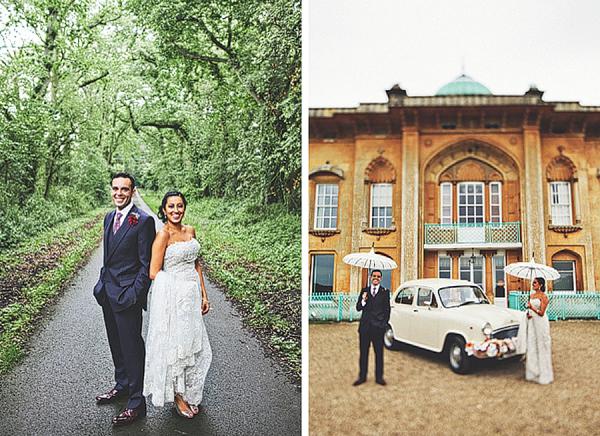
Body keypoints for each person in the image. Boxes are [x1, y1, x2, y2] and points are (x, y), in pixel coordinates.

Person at [93, 172, 156, 425]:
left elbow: (146, 265)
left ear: (133, 191)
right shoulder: (109, 217)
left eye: (124, 189)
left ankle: (136, 402)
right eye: (115, 188)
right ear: (111, 190)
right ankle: (122, 385)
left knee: (132, 348)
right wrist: (101, 284)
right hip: (108, 293)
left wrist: (134, 295)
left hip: (127, 296)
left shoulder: (142, 221)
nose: (119, 193)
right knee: (116, 345)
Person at [143, 190, 212, 419]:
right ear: (164, 210)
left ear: (184, 207)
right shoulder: (163, 235)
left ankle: (189, 391)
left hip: (191, 298)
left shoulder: (190, 231)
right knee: (175, 346)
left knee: (192, 344)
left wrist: (203, 294)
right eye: (171, 206)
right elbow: (154, 272)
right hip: (173, 297)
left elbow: (196, 265)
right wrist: (180, 286)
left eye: (180, 206)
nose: (176, 210)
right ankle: (177, 396)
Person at [353, 269, 390, 386]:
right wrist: (363, 300)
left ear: (380, 279)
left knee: (379, 353)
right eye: (374, 276)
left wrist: (383, 324)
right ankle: (362, 377)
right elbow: (358, 308)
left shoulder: (384, 292)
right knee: (364, 353)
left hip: (378, 327)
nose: (376, 278)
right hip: (365, 327)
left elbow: (387, 310)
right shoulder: (365, 291)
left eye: (378, 276)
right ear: (370, 277)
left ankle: (379, 377)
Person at [523, 277, 554, 384]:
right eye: (532, 283)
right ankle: (533, 372)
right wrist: (528, 313)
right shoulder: (531, 296)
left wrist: (531, 308)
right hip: (532, 322)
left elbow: (541, 312)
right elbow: (530, 311)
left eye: (535, 283)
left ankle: (544, 373)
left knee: (542, 344)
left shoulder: (544, 296)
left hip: (540, 322)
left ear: (540, 285)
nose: (533, 285)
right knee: (532, 344)